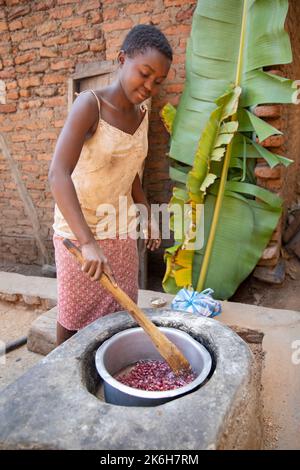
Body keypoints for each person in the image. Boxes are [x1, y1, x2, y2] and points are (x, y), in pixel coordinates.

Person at [48, 24, 173, 345]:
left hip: (120, 229)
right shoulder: (90, 105)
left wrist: (146, 217)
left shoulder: (143, 114)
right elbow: (58, 173)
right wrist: (87, 242)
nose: (149, 86)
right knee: (74, 315)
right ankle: (63, 374)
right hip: (78, 231)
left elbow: (130, 170)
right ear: (122, 59)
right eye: (144, 73)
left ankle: (110, 366)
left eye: (157, 81)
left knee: (121, 310)